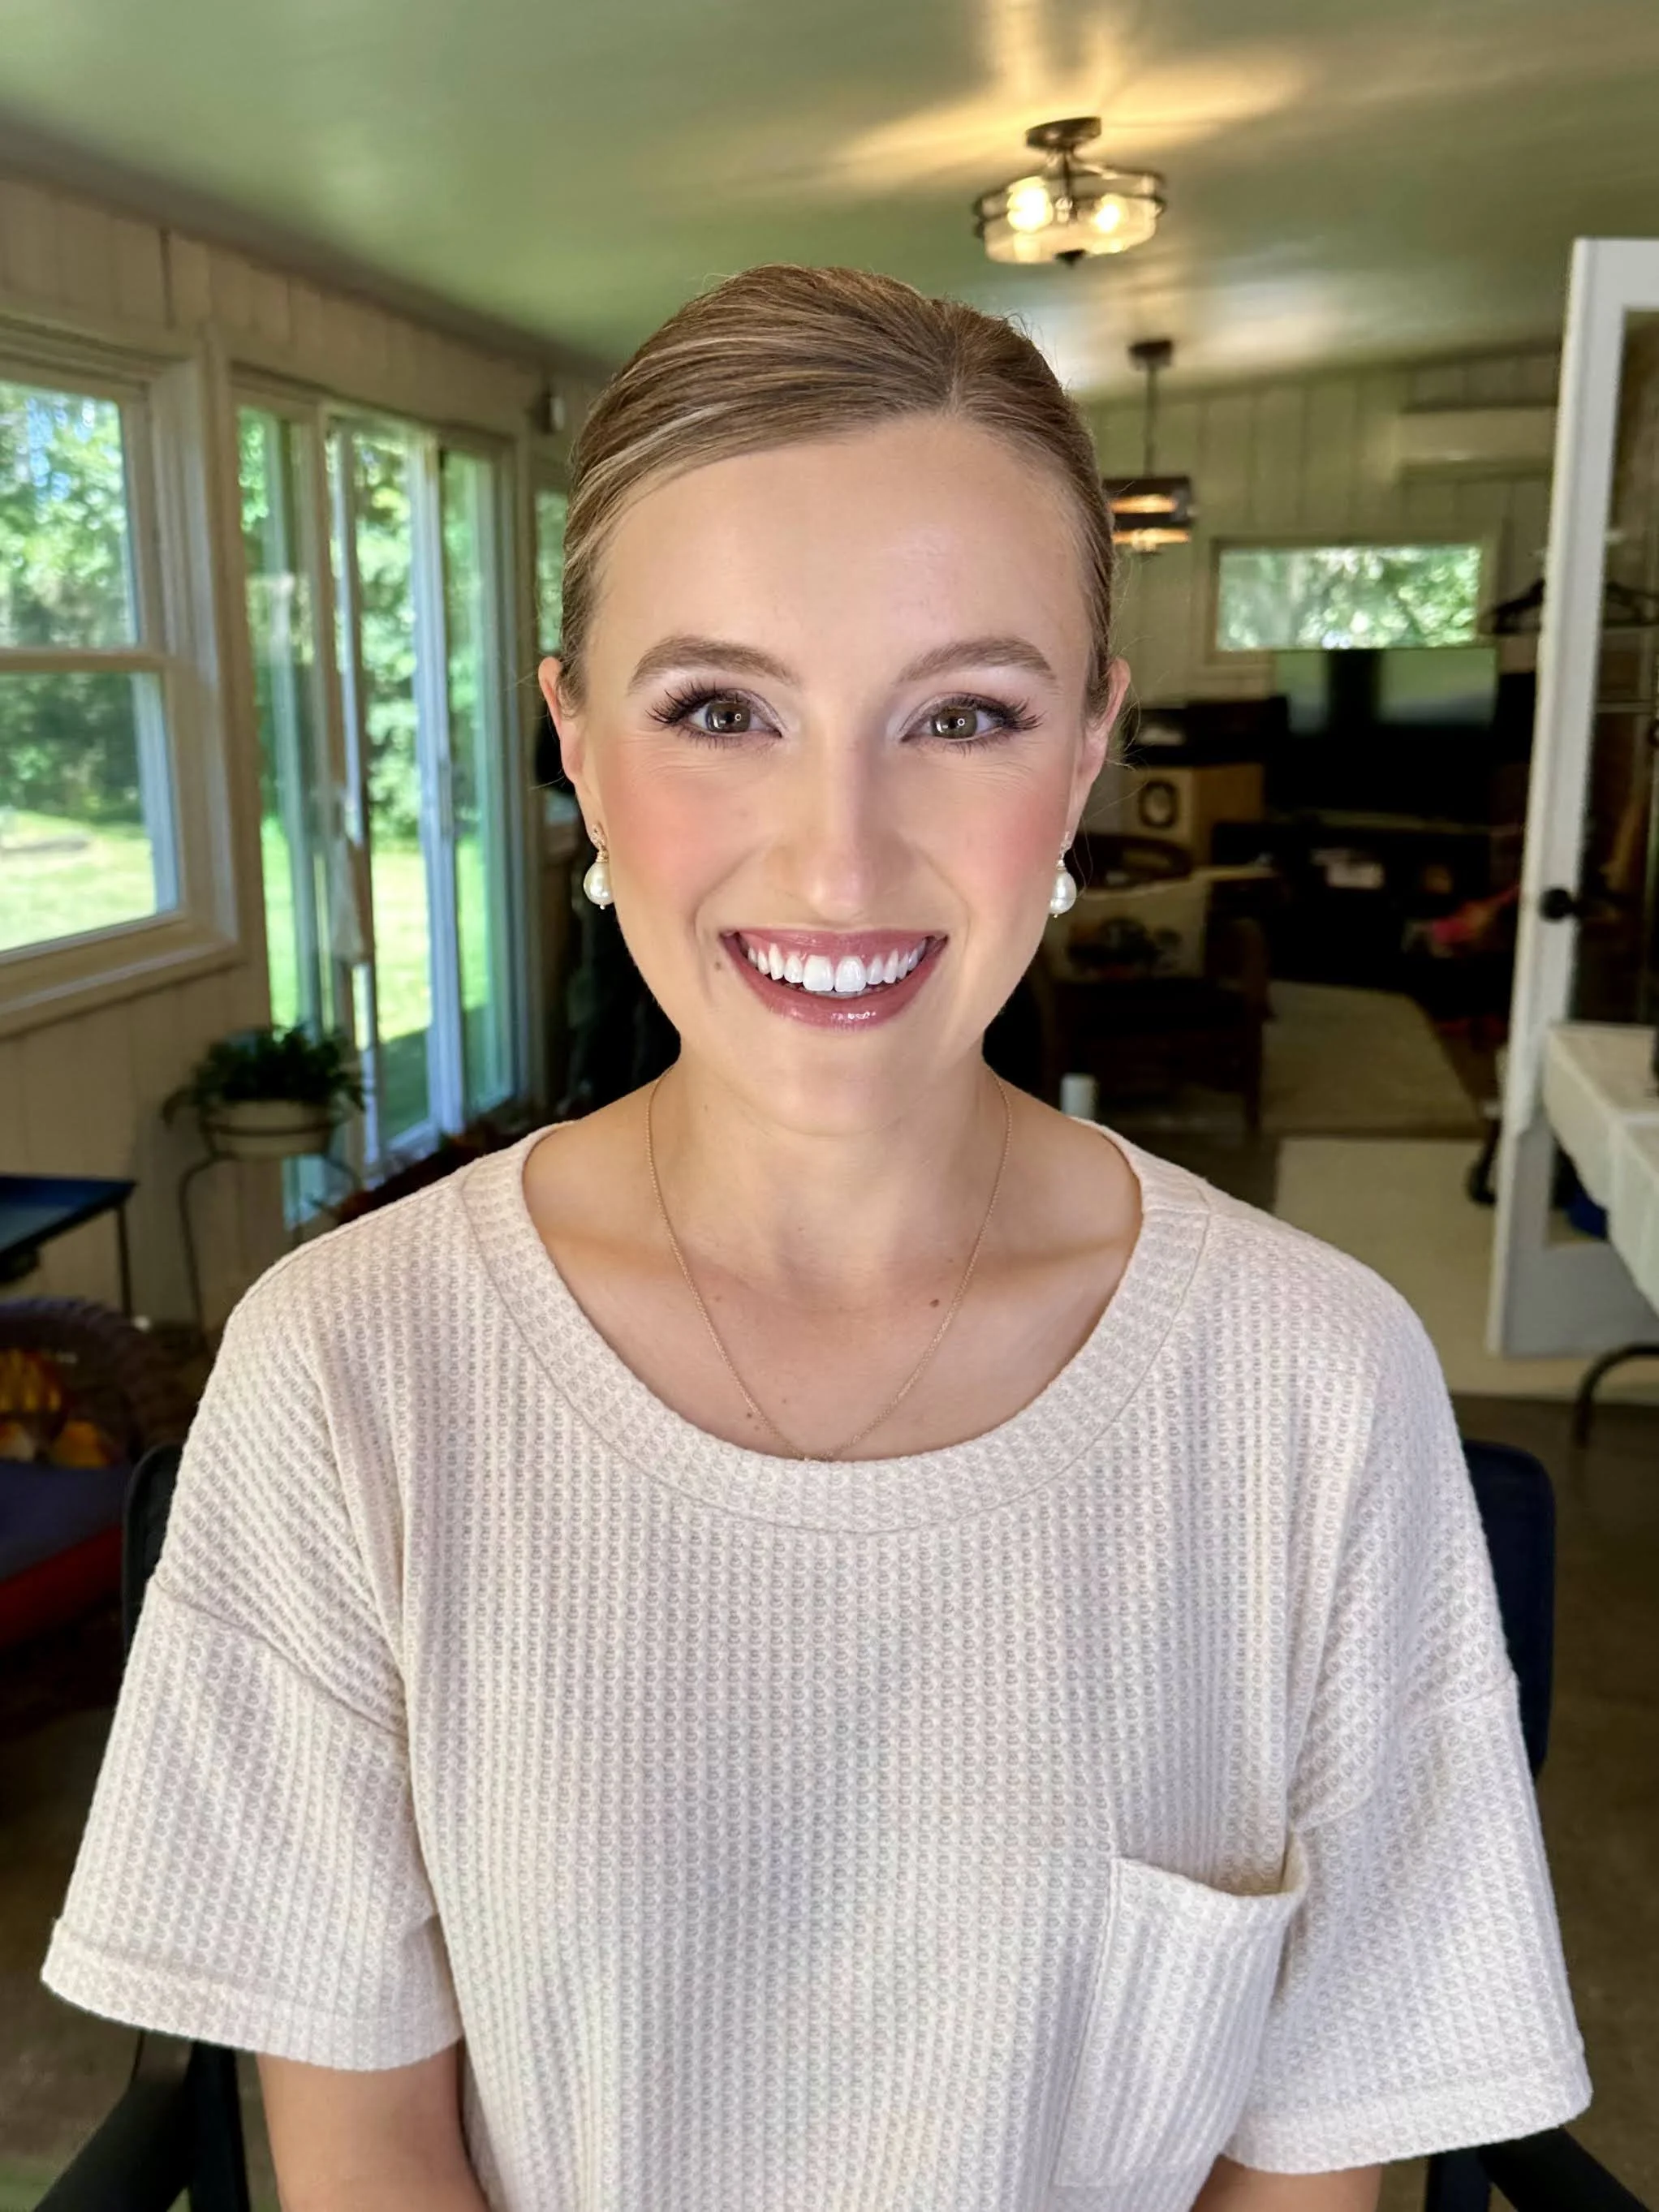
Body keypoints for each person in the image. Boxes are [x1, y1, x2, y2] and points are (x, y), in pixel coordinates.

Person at [40, 265, 1590, 2212]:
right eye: (717, 709)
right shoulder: (348, 1370)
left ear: (1087, 746)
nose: (839, 859)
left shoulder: (1310, 1381)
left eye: (960, 711)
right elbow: (362, 2164)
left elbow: (1317, 2164)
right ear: (577, 744)